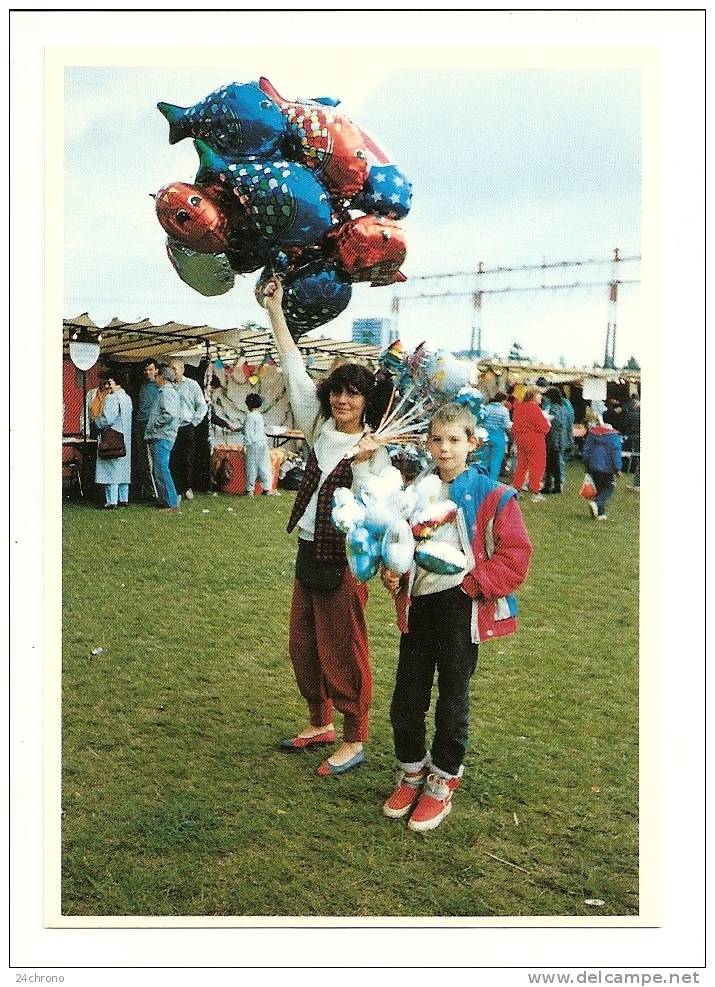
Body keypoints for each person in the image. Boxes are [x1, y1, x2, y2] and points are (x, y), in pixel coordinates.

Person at [259, 275, 392, 777]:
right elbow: (293, 368)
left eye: (353, 395)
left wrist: (363, 463)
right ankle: (320, 721)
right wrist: (275, 311)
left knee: (344, 645)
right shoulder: (318, 427)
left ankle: (354, 734)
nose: (343, 401)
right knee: (303, 643)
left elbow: (376, 510)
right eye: (338, 392)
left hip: (347, 560)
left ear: (366, 401)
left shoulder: (376, 448)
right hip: (310, 549)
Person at [380, 403, 532, 832]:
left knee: (452, 699)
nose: (444, 449)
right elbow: (398, 545)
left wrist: (471, 584)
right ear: (427, 442)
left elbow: (515, 557)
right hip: (420, 608)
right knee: (407, 698)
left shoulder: (494, 494)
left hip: (461, 610)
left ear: (472, 443)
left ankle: (443, 780)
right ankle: (412, 770)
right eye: (437, 439)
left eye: (454, 440)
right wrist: (394, 571)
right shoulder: (416, 493)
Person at [91, 372, 133, 509]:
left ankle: (111, 501)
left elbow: (107, 419)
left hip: (112, 437)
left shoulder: (112, 398)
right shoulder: (127, 398)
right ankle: (123, 498)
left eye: (109, 382)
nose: (107, 385)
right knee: (123, 470)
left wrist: (95, 421)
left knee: (110, 469)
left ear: (116, 382)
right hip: (125, 438)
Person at [144, 363, 182, 513]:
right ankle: (164, 500)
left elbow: (169, 414)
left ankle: (171, 502)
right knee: (158, 469)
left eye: (157, 375)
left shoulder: (167, 393)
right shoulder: (165, 392)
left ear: (163, 377)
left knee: (161, 468)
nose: (155, 378)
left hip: (163, 435)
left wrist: (154, 425)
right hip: (162, 434)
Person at [168, 358, 207, 501]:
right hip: (171, 427)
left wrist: (194, 422)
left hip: (186, 426)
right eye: (170, 369)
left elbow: (202, 406)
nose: (172, 372)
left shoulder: (192, 385)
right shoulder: (168, 386)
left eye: (174, 369)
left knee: (186, 459)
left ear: (182, 370)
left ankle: (187, 487)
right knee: (173, 459)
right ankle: (176, 488)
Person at [511, 386, 551, 501]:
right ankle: (535, 490)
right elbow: (543, 427)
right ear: (533, 396)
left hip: (520, 438)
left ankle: (516, 487)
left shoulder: (519, 408)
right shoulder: (534, 409)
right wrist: (548, 423)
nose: (541, 397)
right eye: (539, 394)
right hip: (534, 439)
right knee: (537, 465)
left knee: (522, 464)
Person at [582, 416, 623, 521]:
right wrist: (617, 468)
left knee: (599, 489)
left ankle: (600, 513)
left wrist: (586, 464)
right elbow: (615, 453)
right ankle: (596, 503)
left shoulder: (592, 434)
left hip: (593, 466)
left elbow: (586, 450)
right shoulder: (614, 437)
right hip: (607, 468)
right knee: (609, 487)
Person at [134, 358, 160, 501]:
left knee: (154, 460)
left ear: (156, 370)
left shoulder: (160, 386)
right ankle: (150, 491)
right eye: (146, 370)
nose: (148, 372)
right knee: (143, 460)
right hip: (141, 424)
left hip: (152, 425)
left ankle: (156, 491)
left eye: (150, 369)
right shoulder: (143, 386)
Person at [243, 393, 276, 495]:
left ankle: (250, 489)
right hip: (262, 443)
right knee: (264, 465)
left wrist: (246, 444)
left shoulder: (249, 416)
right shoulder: (259, 416)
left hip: (253, 444)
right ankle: (267, 487)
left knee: (251, 466)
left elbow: (248, 431)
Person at [542, 388, 570, 494]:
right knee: (556, 463)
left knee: (550, 464)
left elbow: (554, 422)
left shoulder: (553, 408)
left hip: (552, 439)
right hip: (560, 439)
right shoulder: (563, 408)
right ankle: (556, 485)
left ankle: (549, 485)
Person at [481, 391, 511, 481]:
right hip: (498, 436)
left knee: (484, 459)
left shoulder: (486, 408)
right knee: (496, 461)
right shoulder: (504, 410)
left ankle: (481, 478)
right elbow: (507, 425)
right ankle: (492, 481)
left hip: (485, 435)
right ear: (503, 400)